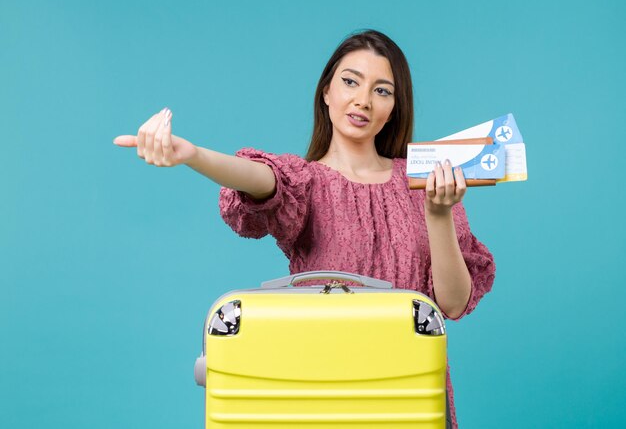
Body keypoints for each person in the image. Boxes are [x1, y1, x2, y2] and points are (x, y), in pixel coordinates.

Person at [114, 29, 495, 428]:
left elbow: (451, 304)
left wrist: (438, 213)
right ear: (326, 91)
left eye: (382, 91)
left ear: (395, 107)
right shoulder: (305, 183)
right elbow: (260, 178)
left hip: (408, 398)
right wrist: (191, 155)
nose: (362, 100)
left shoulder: (425, 182)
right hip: (319, 394)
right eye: (350, 81)